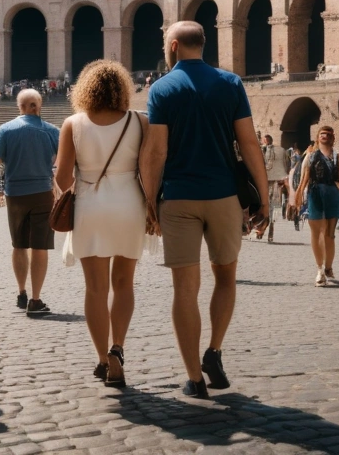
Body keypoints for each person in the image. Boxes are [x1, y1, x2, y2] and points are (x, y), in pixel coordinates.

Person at [139, 21, 268, 399]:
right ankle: (214, 350)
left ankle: (194, 377)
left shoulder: (161, 88)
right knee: (226, 278)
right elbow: (248, 142)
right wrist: (262, 194)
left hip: (178, 198)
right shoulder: (230, 83)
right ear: (203, 45)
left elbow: (156, 152)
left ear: (174, 46)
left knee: (184, 289)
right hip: (225, 197)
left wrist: (150, 200)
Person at [54, 60, 148, 387]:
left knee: (95, 288)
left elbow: (63, 177)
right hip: (130, 205)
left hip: (90, 206)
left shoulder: (72, 124)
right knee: (124, 283)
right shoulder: (140, 121)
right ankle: (117, 347)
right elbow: (148, 172)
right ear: (123, 89)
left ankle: (101, 359)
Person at [0, 89, 61, 317]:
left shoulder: (6, 129)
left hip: (15, 195)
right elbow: (65, 162)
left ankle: (21, 292)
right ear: (39, 106)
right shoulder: (52, 131)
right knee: (40, 246)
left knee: (19, 244)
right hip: (43, 193)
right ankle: (35, 299)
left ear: (19, 107)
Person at [294, 126, 339, 286]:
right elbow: (305, 177)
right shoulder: (311, 155)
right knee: (317, 233)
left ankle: (329, 267)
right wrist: (298, 195)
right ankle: (320, 269)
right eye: (322, 133)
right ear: (318, 137)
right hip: (315, 193)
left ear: (332, 137)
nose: (325, 136)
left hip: (332, 193)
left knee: (330, 235)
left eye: (328, 134)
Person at [261, 134, 289, 242]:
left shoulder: (279, 152)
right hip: (265, 181)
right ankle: (262, 228)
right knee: (264, 205)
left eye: (266, 140)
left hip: (275, 181)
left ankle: (270, 229)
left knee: (274, 206)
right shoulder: (261, 150)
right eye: (265, 140)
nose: (266, 142)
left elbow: (285, 164)